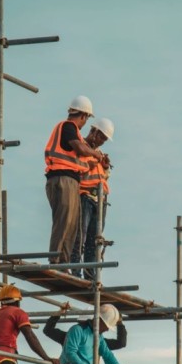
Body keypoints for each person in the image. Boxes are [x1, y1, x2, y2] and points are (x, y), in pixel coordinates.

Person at [45, 95, 104, 267]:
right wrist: (95, 153)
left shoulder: (72, 132)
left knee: (71, 224)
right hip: (61, 179)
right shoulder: (68, 126)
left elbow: (79, 159)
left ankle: (63, 262)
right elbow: (80, 148)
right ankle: (55, 259)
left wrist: (96, 160)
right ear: (84, 116)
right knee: (63, 221)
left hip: (69, 180)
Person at [70, 118, 114, 279]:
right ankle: (75, 271)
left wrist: (106, 166)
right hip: (85, 197)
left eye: (104, 139)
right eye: (101, 137)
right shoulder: (81, 147)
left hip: (100, 200)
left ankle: (90, 275)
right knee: (79, 237)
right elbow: (77, 169)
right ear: (94, 131)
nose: (102, 141)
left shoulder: (99, 154)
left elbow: (103, 177)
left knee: (94, 241)